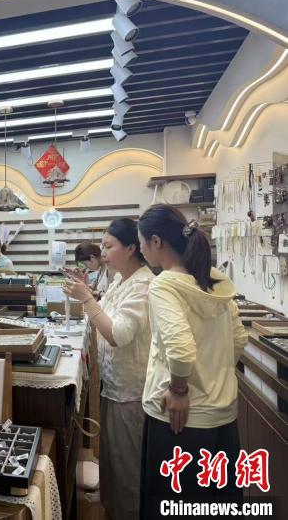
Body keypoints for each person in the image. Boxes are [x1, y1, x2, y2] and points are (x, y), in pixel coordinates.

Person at [137, 205, 247, 518]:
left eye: (142, 242)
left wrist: (180, 390)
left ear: (156, 242)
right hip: (223, 415)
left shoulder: (165, 284)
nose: (142, 250)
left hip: (179, 419)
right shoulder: (213, 282)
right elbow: (238, 339)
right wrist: (212, 376)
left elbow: (181, 349)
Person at [63, 218, 154, 520]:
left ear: (131, 248)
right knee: (114, 464)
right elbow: (106, 314)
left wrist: (87, 298)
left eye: (108, 246)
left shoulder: (142, 285)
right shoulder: (121, 280)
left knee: (128, 472)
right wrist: (88, 292)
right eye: (102, 246)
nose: (102, 253)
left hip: (131, 392)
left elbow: (117, 334)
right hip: (115, 387)